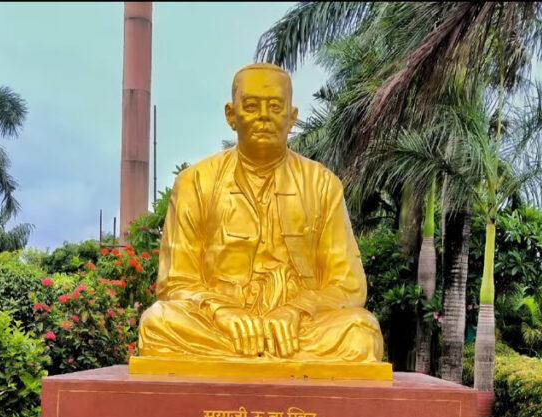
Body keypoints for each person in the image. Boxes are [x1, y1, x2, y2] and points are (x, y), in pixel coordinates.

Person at [137, 63, 383, 365]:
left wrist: (297, 310)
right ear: (231, 115)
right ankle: (257, 353)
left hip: (299, 329)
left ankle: (260, 354)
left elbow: (348, 283)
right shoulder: (195, 182)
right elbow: (175, 282)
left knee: (361, 333)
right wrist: (222, 312)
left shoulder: (322, 184)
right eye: (251, 106)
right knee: (157, 323)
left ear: (292, 117)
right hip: (221, 326)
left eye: (275, 107)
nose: (263, 116)